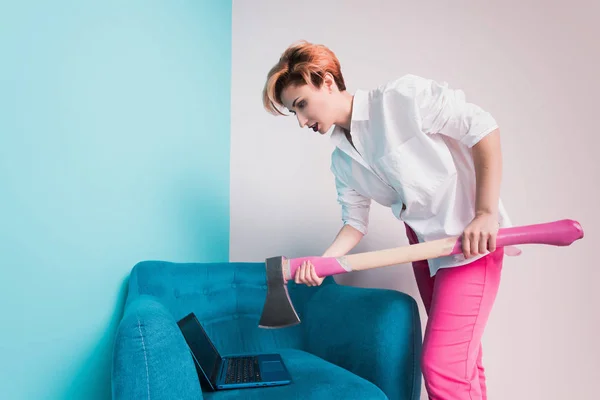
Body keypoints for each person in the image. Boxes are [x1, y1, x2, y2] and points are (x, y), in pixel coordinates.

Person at [261, 40, 515, 400]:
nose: (301, 121)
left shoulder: (401, 100)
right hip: (425, 249)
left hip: (471, 242)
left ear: (328, 81)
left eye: (301, 104)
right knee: (463, 363)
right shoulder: (342, 162)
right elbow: (355, 223)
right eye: (294, 112)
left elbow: (483, 129)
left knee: (443, 366)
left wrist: (486, 213)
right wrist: (323, 262)